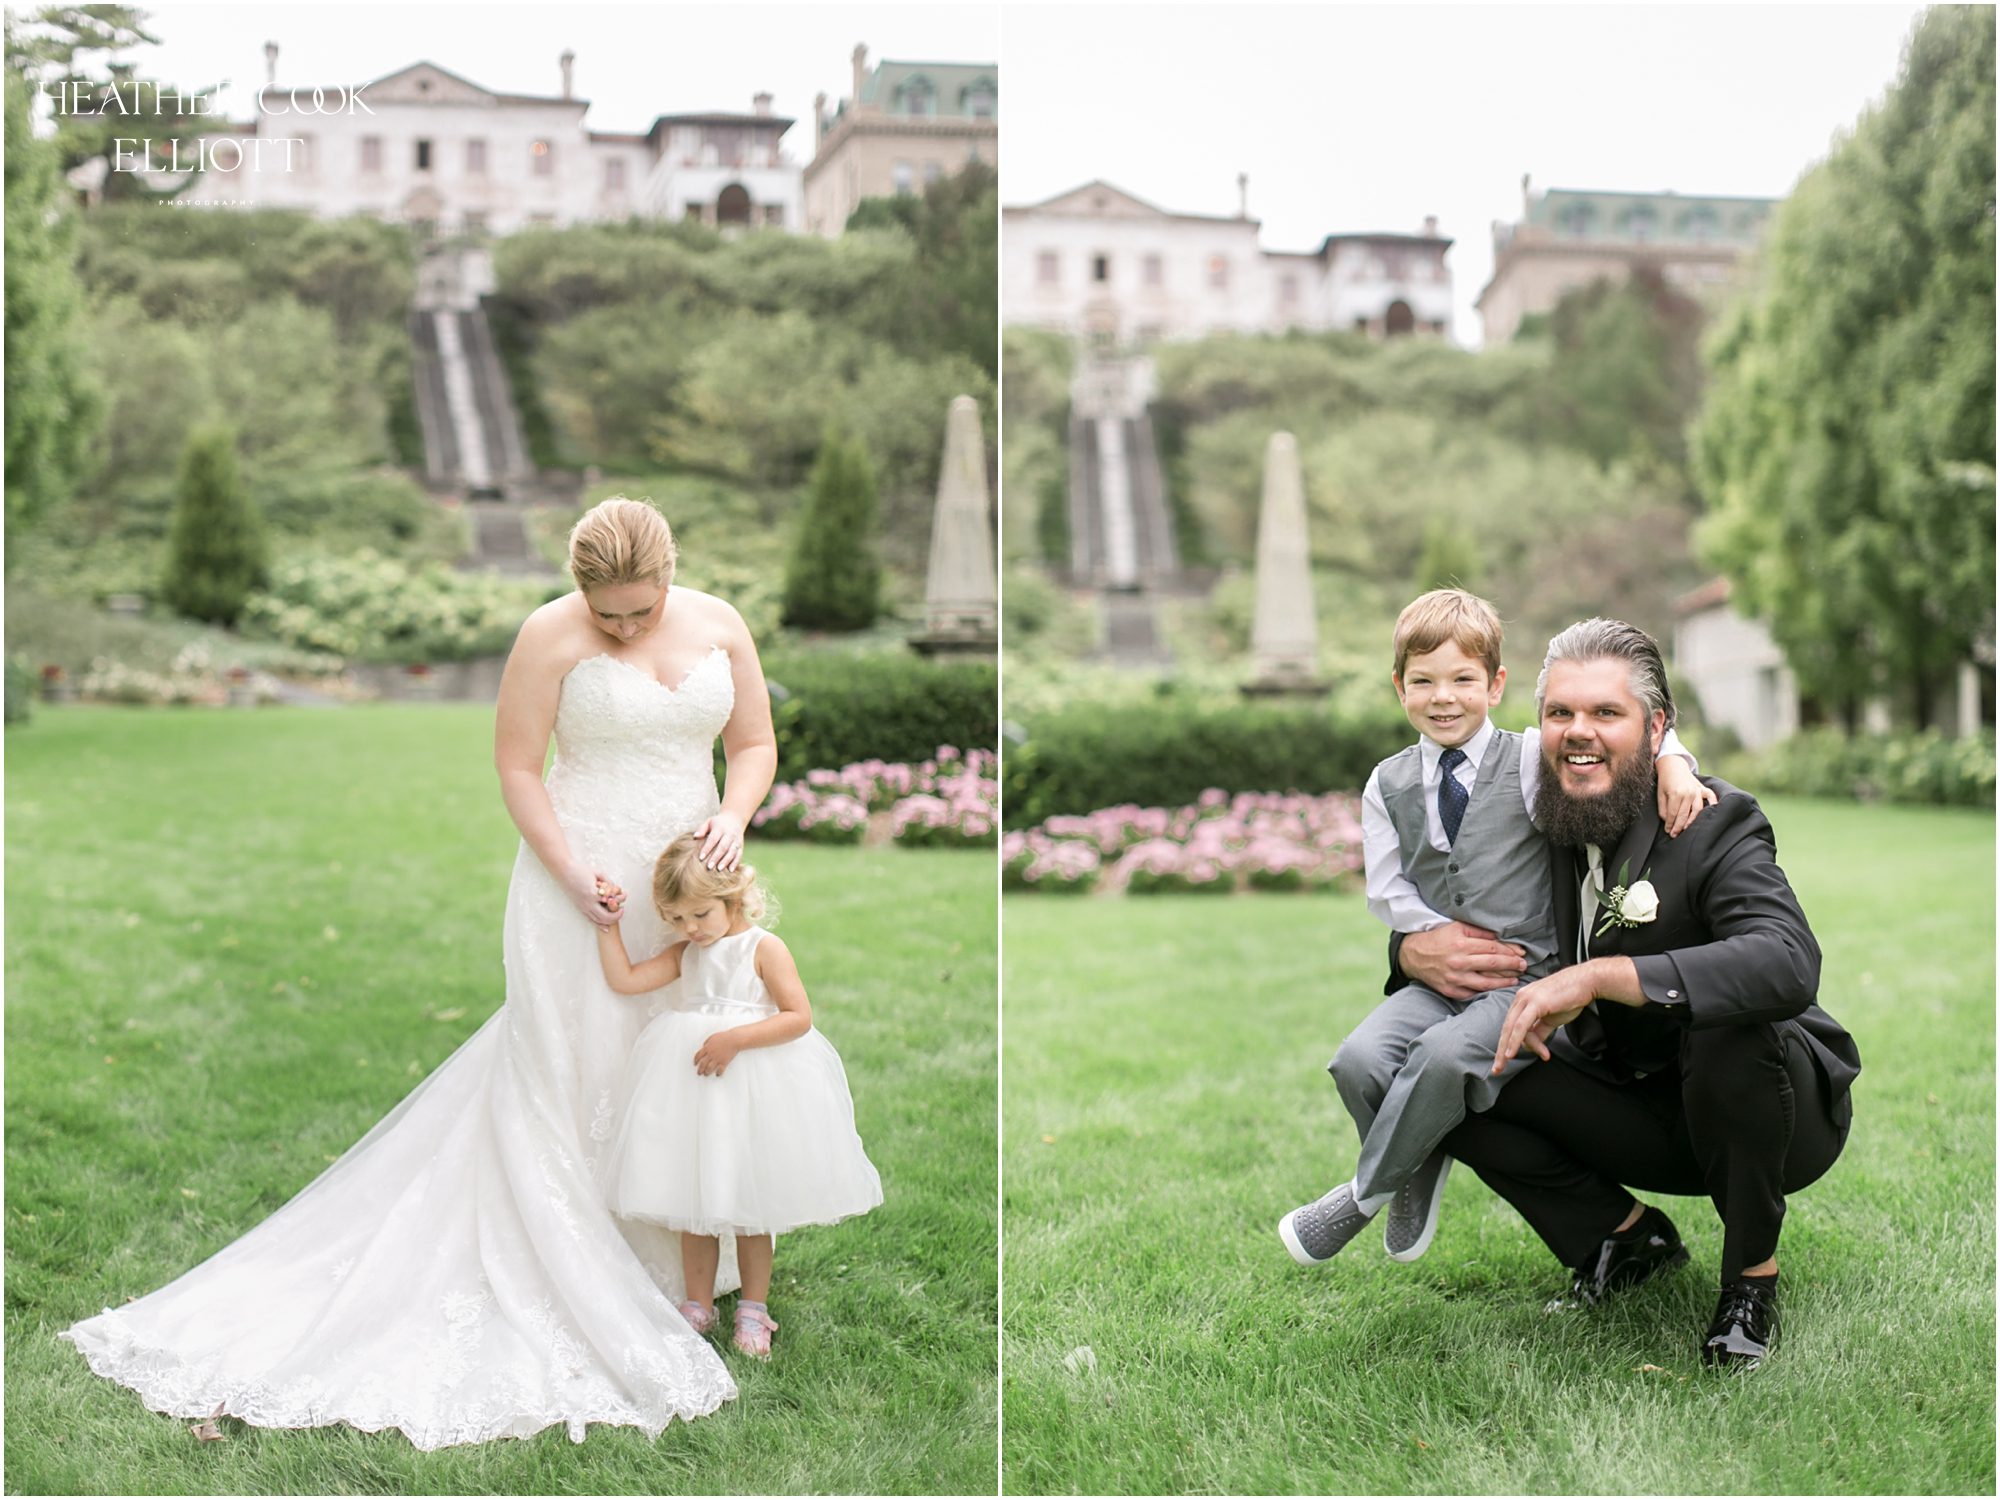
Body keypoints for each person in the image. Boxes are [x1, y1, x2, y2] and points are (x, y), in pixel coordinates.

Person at [62, 497, 779, 1446]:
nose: (623, 628)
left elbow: (753, 745)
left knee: (677, 1056)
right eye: (606, 614)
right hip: (582, 875)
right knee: (575, 1062)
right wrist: (570, 873)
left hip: (691, 885)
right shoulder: (547, 635)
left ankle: (682, 1257)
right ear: (578, 590)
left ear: (670, 575)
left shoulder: (720, 623)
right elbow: (518, 768)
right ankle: (570, 1253)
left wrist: (732, 815)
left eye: (640, 610)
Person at [1399, 618, 1859, 1369]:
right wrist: (1408, 950)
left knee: (1726, 1021)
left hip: (1769, 1111)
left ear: (1656, 727)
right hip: (1632, 1096)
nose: (1579, 732)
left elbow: (1785, 963)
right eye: (1560, 713)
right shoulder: (1534, 819)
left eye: (1606, 712)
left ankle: (1751, 1281)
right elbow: (1447, 907)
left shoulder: (1711, 822)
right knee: (1451, 1065)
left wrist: (1600, 976)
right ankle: (1624, 1241)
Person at [1279, 590, 1712, 1268]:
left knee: (1443, 1058)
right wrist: (1429, 941)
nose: (1443, 698)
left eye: (1462, 679)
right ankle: (1414, 1168)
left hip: (1523, 978)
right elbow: (1387, 888)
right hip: (1438, 979)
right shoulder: (1387, 784)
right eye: (1423, 681)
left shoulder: (1531, 758)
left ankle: (1363, 1195)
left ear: (1495, 685)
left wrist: (1674, 762)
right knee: (1357, 1061)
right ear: (1399, 687)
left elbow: (1625, 733)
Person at [593, 836, 882, 1359]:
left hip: (751, 1086)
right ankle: (698, 1305)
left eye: (700, 914)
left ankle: (753, 1308)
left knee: (752, 1208)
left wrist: (735, 1040)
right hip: (694, 1092)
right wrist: (607, 926)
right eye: (677, 919)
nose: (690, 929)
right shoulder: (687, 953)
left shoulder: (764, 949)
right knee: (693, 1203)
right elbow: (626, 980)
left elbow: (798, 1017)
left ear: (734, 898)